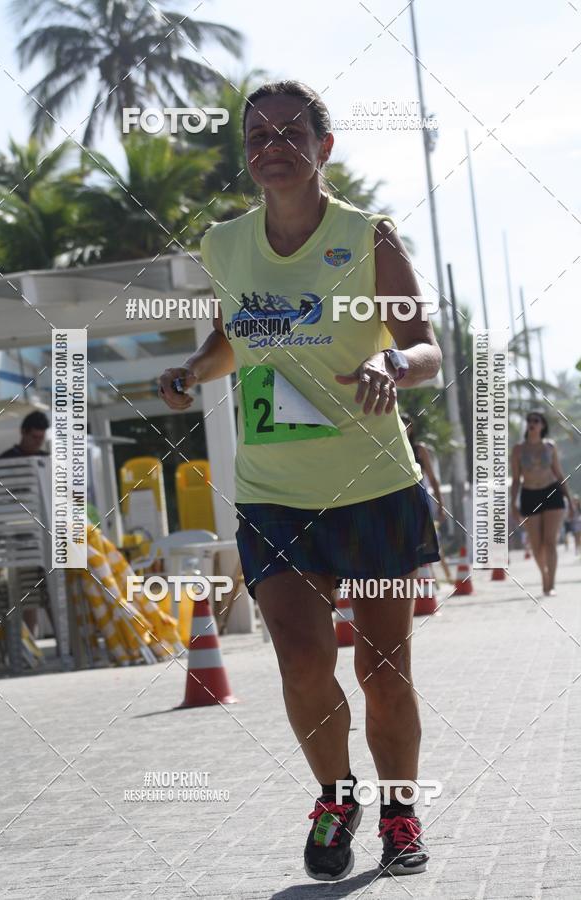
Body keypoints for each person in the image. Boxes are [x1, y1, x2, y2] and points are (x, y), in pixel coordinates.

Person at [158, 80, 442, 880]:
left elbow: (427, 347)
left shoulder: (368, 236)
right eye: (257, 136)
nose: (271, 146)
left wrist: (391, 361)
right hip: (273, 492)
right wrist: (191, 369)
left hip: (372, 487)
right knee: (300, 660)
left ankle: (400, 812)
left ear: (324, 147)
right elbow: (229, 340)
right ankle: (334, 796)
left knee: (383, 672)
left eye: (290, 132)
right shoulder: (225, 244)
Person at [0, 410, 50, 636]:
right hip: (20, 538)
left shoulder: (47, 459)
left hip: (47, 536)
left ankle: (64, 642)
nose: (38, 443)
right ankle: (34, 641)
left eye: (41, 438)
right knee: (29, 590)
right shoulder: (5, 461)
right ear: (23, 433)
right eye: (34, 438)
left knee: (52, 587)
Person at [511, 411, 574, 595]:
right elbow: (516, 479)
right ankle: (544, 575)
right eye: (529, 420)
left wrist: (569, 500)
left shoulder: (550, 447)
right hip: (529, 494)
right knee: (536, 544)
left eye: (536, 420)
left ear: (542, 426)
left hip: (551, 492)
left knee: (550, 542)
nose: (531, 423)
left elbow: (559, 474)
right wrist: (513, 503)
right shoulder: (518, 450)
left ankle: (551, 583)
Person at [400, 413, 451, 584]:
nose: (404, 428)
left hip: (420, 499)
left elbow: (433, 478)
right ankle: (428, 580)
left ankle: (445, 577)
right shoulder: (392, 448)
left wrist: (441, 505)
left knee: (429, 539)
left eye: (407, 425)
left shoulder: (419, 450)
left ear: (411, 428)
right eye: (400, 424)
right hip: (400, 501)